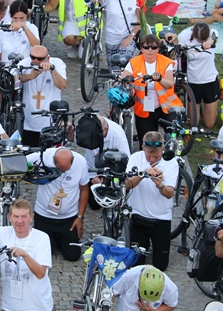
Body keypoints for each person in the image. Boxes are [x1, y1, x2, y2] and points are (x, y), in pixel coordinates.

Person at [125, 131, 179, 271]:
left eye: (156, 156)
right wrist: (143, 174)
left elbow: (169, 194)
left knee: (161, 266)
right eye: (149, 156)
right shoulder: (135, 158)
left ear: (163, 149)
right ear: (143, 147)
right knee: (136, 264)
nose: (152, 159)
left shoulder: (171, 162)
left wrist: (159, 183)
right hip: (138, 217)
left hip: (161, 220)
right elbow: (127, 185)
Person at [26, 147, 89, 261]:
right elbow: (21, 161)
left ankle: (58, 239)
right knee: (41, 255)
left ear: (72, 160)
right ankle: (54, 239)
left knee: (73, 256)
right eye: (59, 169)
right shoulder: (43, 156)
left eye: (66, 169)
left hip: (68, 219)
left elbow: (84, 189)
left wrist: (80, 217)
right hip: (44, 217)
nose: (63, 172)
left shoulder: (81, 162)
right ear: (53, 161)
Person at [120, 34, 183, 148]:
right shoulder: (134, 62)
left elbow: (169, 84)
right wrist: (126, 83)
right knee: (146, 143)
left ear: (158, 49)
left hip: (166, 107)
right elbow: (123, 79)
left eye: (154, 47)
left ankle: (171, 153)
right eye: (146, 47)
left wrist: (159, 79)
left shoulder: (166, 62)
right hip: (144, 109)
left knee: (173, 135)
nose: (150, 50)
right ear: (141, 48)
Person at [167, 23, 220, 128]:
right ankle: (198, 108)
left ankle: (207, 109)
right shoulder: (185, 35)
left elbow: (215, 33)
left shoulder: (211, 34)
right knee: (193, 123)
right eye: (198, 40)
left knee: (209, 124)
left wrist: (210, 40)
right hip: (193, 81)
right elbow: (177, 48)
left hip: (210, 80)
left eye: (202, 40)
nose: (200, 42)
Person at [77, 114, 131, 210]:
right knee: (94, 205)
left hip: (114, 170)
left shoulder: (118, 136)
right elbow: (72, 138)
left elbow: (126, 162)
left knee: (119, 199)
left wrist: (110, 179)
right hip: (93, 170)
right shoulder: (86, 130)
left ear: (105, 130)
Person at [0, 0, 40, 102]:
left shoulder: (32, 28)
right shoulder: (2, 30)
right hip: (6, 75)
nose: (18, 21)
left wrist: (25, 28)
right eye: (15, 18)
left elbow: (36, 45)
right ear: (10, 16)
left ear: (26, 16)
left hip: (26, 75)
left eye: (22, 18)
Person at [19, 45, 67, 147]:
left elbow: (62, 85)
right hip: (28, 122)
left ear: (48, 58)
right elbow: (12, 81)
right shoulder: (25, 62)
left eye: (40, 59)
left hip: (50, 124)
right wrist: (30, 76)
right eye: (33, 57)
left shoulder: (57, 63)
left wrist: (52, 70)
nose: (36, 61)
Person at [104, 0, 140, 68]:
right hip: (111, 38)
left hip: (128, 36)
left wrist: (130, 37)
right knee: (113, 69)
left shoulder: (137, 1)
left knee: (123, 61)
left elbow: (139, 21)